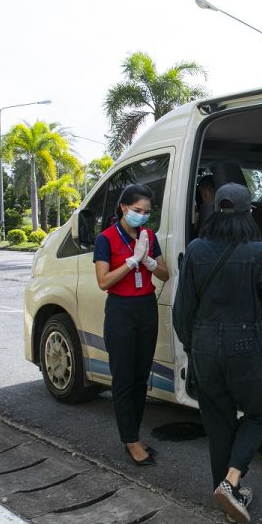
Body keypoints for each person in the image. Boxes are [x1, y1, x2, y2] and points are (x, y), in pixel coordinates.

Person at [172, 182, 262, 524]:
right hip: (245, 345)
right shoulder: (259, 252)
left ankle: (226, 490)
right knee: (258, 411)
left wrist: (194, 347)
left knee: (218, 421)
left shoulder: (195, 249)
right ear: (249, 214)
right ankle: (232, 480)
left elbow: (181, 312)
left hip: (204, 345)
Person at [94, 183, 170, 466]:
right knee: (124, 378)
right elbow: (103, 281)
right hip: (120, 310)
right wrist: (131, 262)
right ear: (124, 208)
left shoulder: (149, 235)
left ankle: (135, 434)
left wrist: (149, 261)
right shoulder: (106, 239)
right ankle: (130, 440)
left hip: (146, 307)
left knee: (140, 377)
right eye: (137, 210)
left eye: (147, 212)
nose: (142, 216)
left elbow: (165, 274)